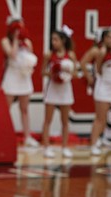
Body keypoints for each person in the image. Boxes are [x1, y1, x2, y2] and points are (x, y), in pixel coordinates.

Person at [0, 16, 39, 147]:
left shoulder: (27, 41)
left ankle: (27, 136)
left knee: (25, 108)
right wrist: (16, 39)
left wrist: (24, 42)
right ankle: (4, 134)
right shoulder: (6, 41)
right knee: (6, 108)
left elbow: (31, 58)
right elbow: (12, 54)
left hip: (24, 76)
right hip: (12, 75)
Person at [41, 25, 77, 158]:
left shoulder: (71, 55)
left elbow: (75, 74)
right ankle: (46, 147)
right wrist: (53, 73)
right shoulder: (49, 55)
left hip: (65, 90)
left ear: (63, 40)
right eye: (52, 40)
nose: (53, 42)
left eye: (56, 39)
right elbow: (42, 72)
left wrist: (67, 73)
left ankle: (64, 147)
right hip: (52, 89)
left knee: (65, 121)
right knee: (47, 120)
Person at [90, 27, 111, 155]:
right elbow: (98, 69)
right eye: (107, 37)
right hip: (105, 87)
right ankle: (93, 145)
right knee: (100, 118)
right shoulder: (102, 52)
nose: (108, 40)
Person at [80, 29, 111, 152]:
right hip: (100, 84)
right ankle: (93, 143)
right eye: (109, 37)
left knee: (106, 113)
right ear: (103, 38)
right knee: (100, 115)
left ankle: (102, 136)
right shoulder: (96, 50)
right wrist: (89, 77)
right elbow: (83, 62)